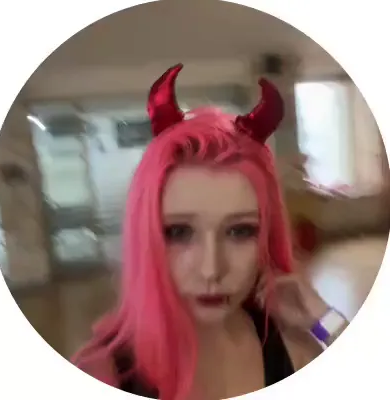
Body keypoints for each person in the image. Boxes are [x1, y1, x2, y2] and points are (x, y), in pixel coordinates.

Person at [72, 64, 349, 400]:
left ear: (266, 238)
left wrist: (325, 319)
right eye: (178, 232)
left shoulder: (295, 350)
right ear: (146, 238)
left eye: (240, 232)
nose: (211, 270)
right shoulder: (101, 374)